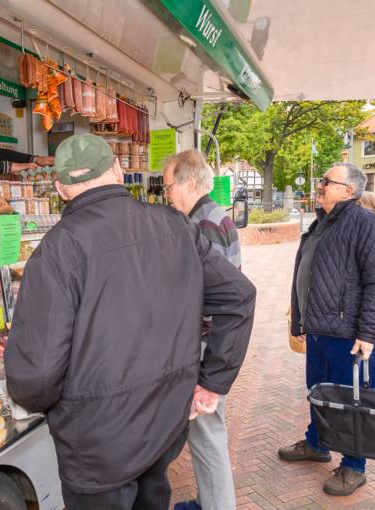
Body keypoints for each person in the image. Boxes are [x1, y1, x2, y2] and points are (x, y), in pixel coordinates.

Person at [5, 134, 256, 510]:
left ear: (61, 187)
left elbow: (36, 376)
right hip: (162, 425)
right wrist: (211, 381)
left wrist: (36, 403)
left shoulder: (56, 251)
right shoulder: (177, 226)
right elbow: (239, 297)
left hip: (95, 445)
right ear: (118, 171)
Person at [278, 163, 375, 497]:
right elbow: (307, 272)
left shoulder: (366, 224)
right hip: (319, 331)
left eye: (327, 181)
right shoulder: (322, 224)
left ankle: (355, 466)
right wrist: (300, 319)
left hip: (349, 335)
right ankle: (317, 443)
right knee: (318, 392)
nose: (320, 185)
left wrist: (369, 333)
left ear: (349, 190)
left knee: (352, 401)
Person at [163, 150, 239, 510]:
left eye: (168, 187)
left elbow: (214, 295)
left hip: (207, 345)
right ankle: (209, 500)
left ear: (188, 182)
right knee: (206, 434)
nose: (167, 195)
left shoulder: (201, 223)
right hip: (213, 342)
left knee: (207, 435)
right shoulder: (213, 215)